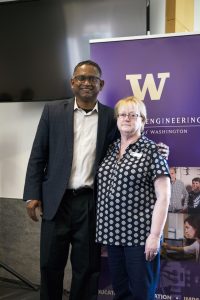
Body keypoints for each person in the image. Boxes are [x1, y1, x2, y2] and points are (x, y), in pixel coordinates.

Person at [23, 61, 169, 300]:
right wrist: (32, 194)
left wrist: (160, 152)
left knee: (87, 269)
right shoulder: (52, 111)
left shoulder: (110, 118)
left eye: (92, 79)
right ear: (72, 83)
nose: (86, 83)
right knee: (50, 265)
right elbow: (38, 154)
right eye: (81, 78)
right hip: (55, 202)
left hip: (90, 203)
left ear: (101, 84)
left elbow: (132, 137)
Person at [95, 96, 171, 300]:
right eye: (122, 114)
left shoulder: (152, 151)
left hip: (140, 237)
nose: (126, 118)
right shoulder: (110, 150)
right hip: (112, 236)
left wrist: (154, 236)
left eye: (133, 114)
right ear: (117, 119)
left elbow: (164, 198)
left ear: (143, 120)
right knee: (120, 291)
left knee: (142, 293)